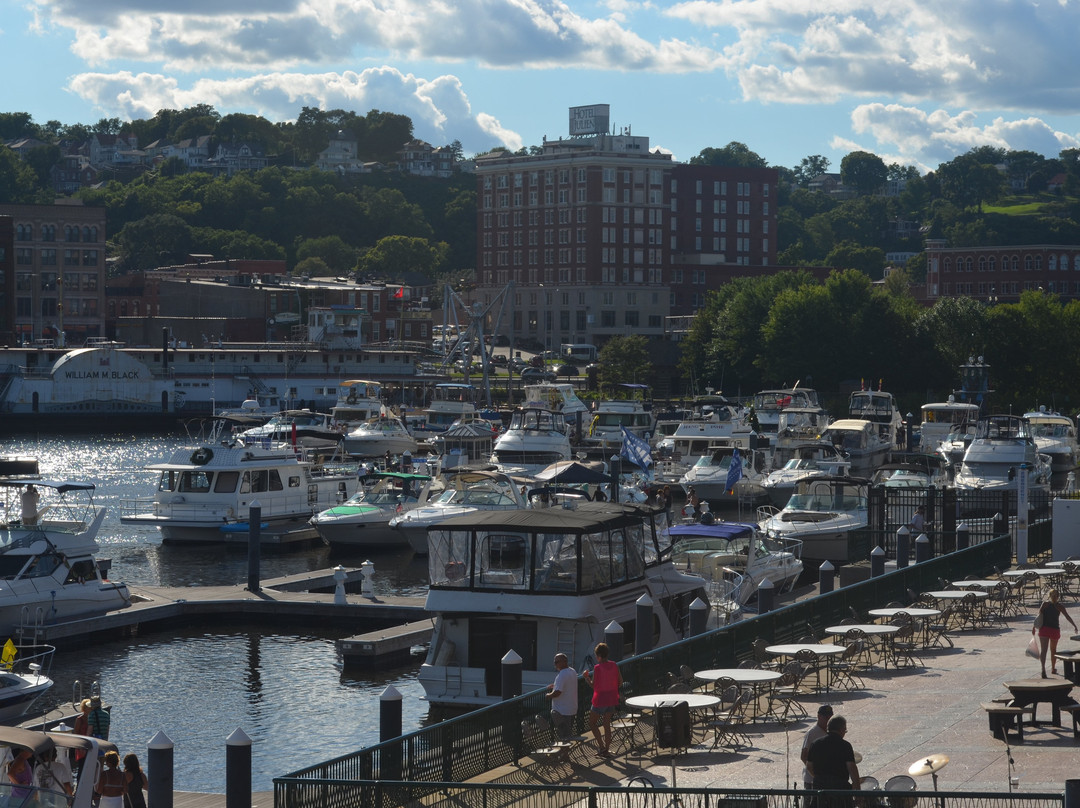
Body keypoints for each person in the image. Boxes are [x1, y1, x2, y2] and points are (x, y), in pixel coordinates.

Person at [806, 715, 860, 804]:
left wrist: (820, 778)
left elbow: (809, 766)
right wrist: (857, 791)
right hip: (839, 792)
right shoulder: (845, 746)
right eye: (845, 731)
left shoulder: (815, 744)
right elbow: (852, 769)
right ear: (841, 729)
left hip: (820, 791)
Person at [583, 642, 623, 757]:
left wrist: (586, 677)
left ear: (599, 656)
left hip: (600, 700)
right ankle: (607, 749)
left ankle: (601, 747)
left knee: (592, 723)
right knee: (607, 725)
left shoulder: (597, 668)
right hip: (612, 698)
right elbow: (620, 682)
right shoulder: (614, 665)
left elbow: (593, 685)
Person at [1034, 588, 1077, 677]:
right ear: (1058, 597)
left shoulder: (1044, 604)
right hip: (1054, 630)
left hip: (1044, 629)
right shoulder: (1059, 606)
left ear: (1049, 596)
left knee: (1044, 651)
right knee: (1053, 650)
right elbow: (1067, 616)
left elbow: (1039, 617)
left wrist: (1033, 627)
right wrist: (1074, 625)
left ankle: (1043, 669)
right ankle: (1053, 668)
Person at [545, 653, 578, 740]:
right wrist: (555, 685)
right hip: (572, 708)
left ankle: (565, 753)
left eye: (557, 662)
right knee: (567, 732)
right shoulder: (572, 671)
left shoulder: (562, 675)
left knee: (564, 735)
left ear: (564, 662)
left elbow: (558, 692)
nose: (555, 664)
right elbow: (567, 684)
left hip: (562, 711)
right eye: (555, 662)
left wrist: (549, 695)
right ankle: (565, 752)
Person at [801, 704, 834, 789]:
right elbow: (803, 756)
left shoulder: (830, 731)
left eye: (830, 717)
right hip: (812, 780)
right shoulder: (812, 733)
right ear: (819, 716)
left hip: (825, 777)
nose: (828, 720)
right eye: (826, 717)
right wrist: (814, 773)